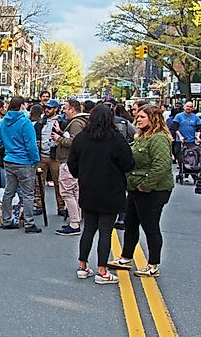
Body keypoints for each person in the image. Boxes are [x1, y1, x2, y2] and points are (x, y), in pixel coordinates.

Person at [67, 105, 135, 284]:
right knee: (105, 231)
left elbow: (72, 164)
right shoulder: (116, 139)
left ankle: (82, 265)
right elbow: (128, 163)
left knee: (88, 228)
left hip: (88, 189)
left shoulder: (81, 138)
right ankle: (102, 271)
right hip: (111, 190)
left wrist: (82, 174)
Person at [108, 105, 174, 277]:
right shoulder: (142, 137)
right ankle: (125, 258)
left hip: (153, 191)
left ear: (153, 118)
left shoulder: (158, 138)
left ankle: (153, 264)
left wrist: (145, 185)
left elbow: (161, 166)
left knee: (150, 227)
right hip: (135, 189)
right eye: (137, 116)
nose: (138, 119)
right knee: (130, 224)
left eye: (142, 117)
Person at [0, 96, 41, 233]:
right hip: (24, 161)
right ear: (22, 105)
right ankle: (29, 223)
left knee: (9, 191)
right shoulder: (25, 122)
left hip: (9, 159)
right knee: (28, 193)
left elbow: (0, 140)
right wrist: (35, 160)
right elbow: (31, 145)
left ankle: (6, 219)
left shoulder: (3, 122)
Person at [54, 100, 89, 236]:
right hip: (75, 162)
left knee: (67, 192)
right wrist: (61, 132)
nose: (64, 111)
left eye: (66, 108)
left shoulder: (75, 123)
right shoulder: (82, 122)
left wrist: (59, 139)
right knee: (75, 191)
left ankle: (74, 222)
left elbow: (74, 142)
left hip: (69, 161)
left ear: (73, 110)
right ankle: (77, 219)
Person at [35, 99, 65, 217]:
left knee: (59, 182)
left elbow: (66, 137)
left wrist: (60, 132)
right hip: (42, 155)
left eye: (50, 108)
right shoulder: (40, 122)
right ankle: (39, 205)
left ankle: (61, 206)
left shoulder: (62, 122)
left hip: (55, 157)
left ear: (56, 109)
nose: (47, 110)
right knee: (39, 183)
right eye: (46, 108)